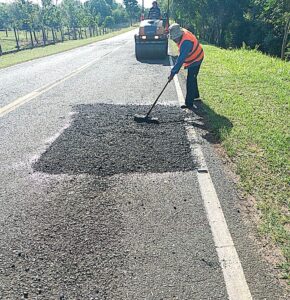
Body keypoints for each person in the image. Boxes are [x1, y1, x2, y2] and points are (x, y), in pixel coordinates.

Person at [168, 23, 204, 108]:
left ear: (179, 35)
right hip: (193, 58)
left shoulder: (186, 42)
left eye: (175, 38)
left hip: (196, 58)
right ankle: (195, 96)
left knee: (190, 80)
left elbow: (180, 59)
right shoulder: (182, 33)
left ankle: (189, 103)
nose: (174, 40)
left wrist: (173, 73)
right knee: (193, 77)